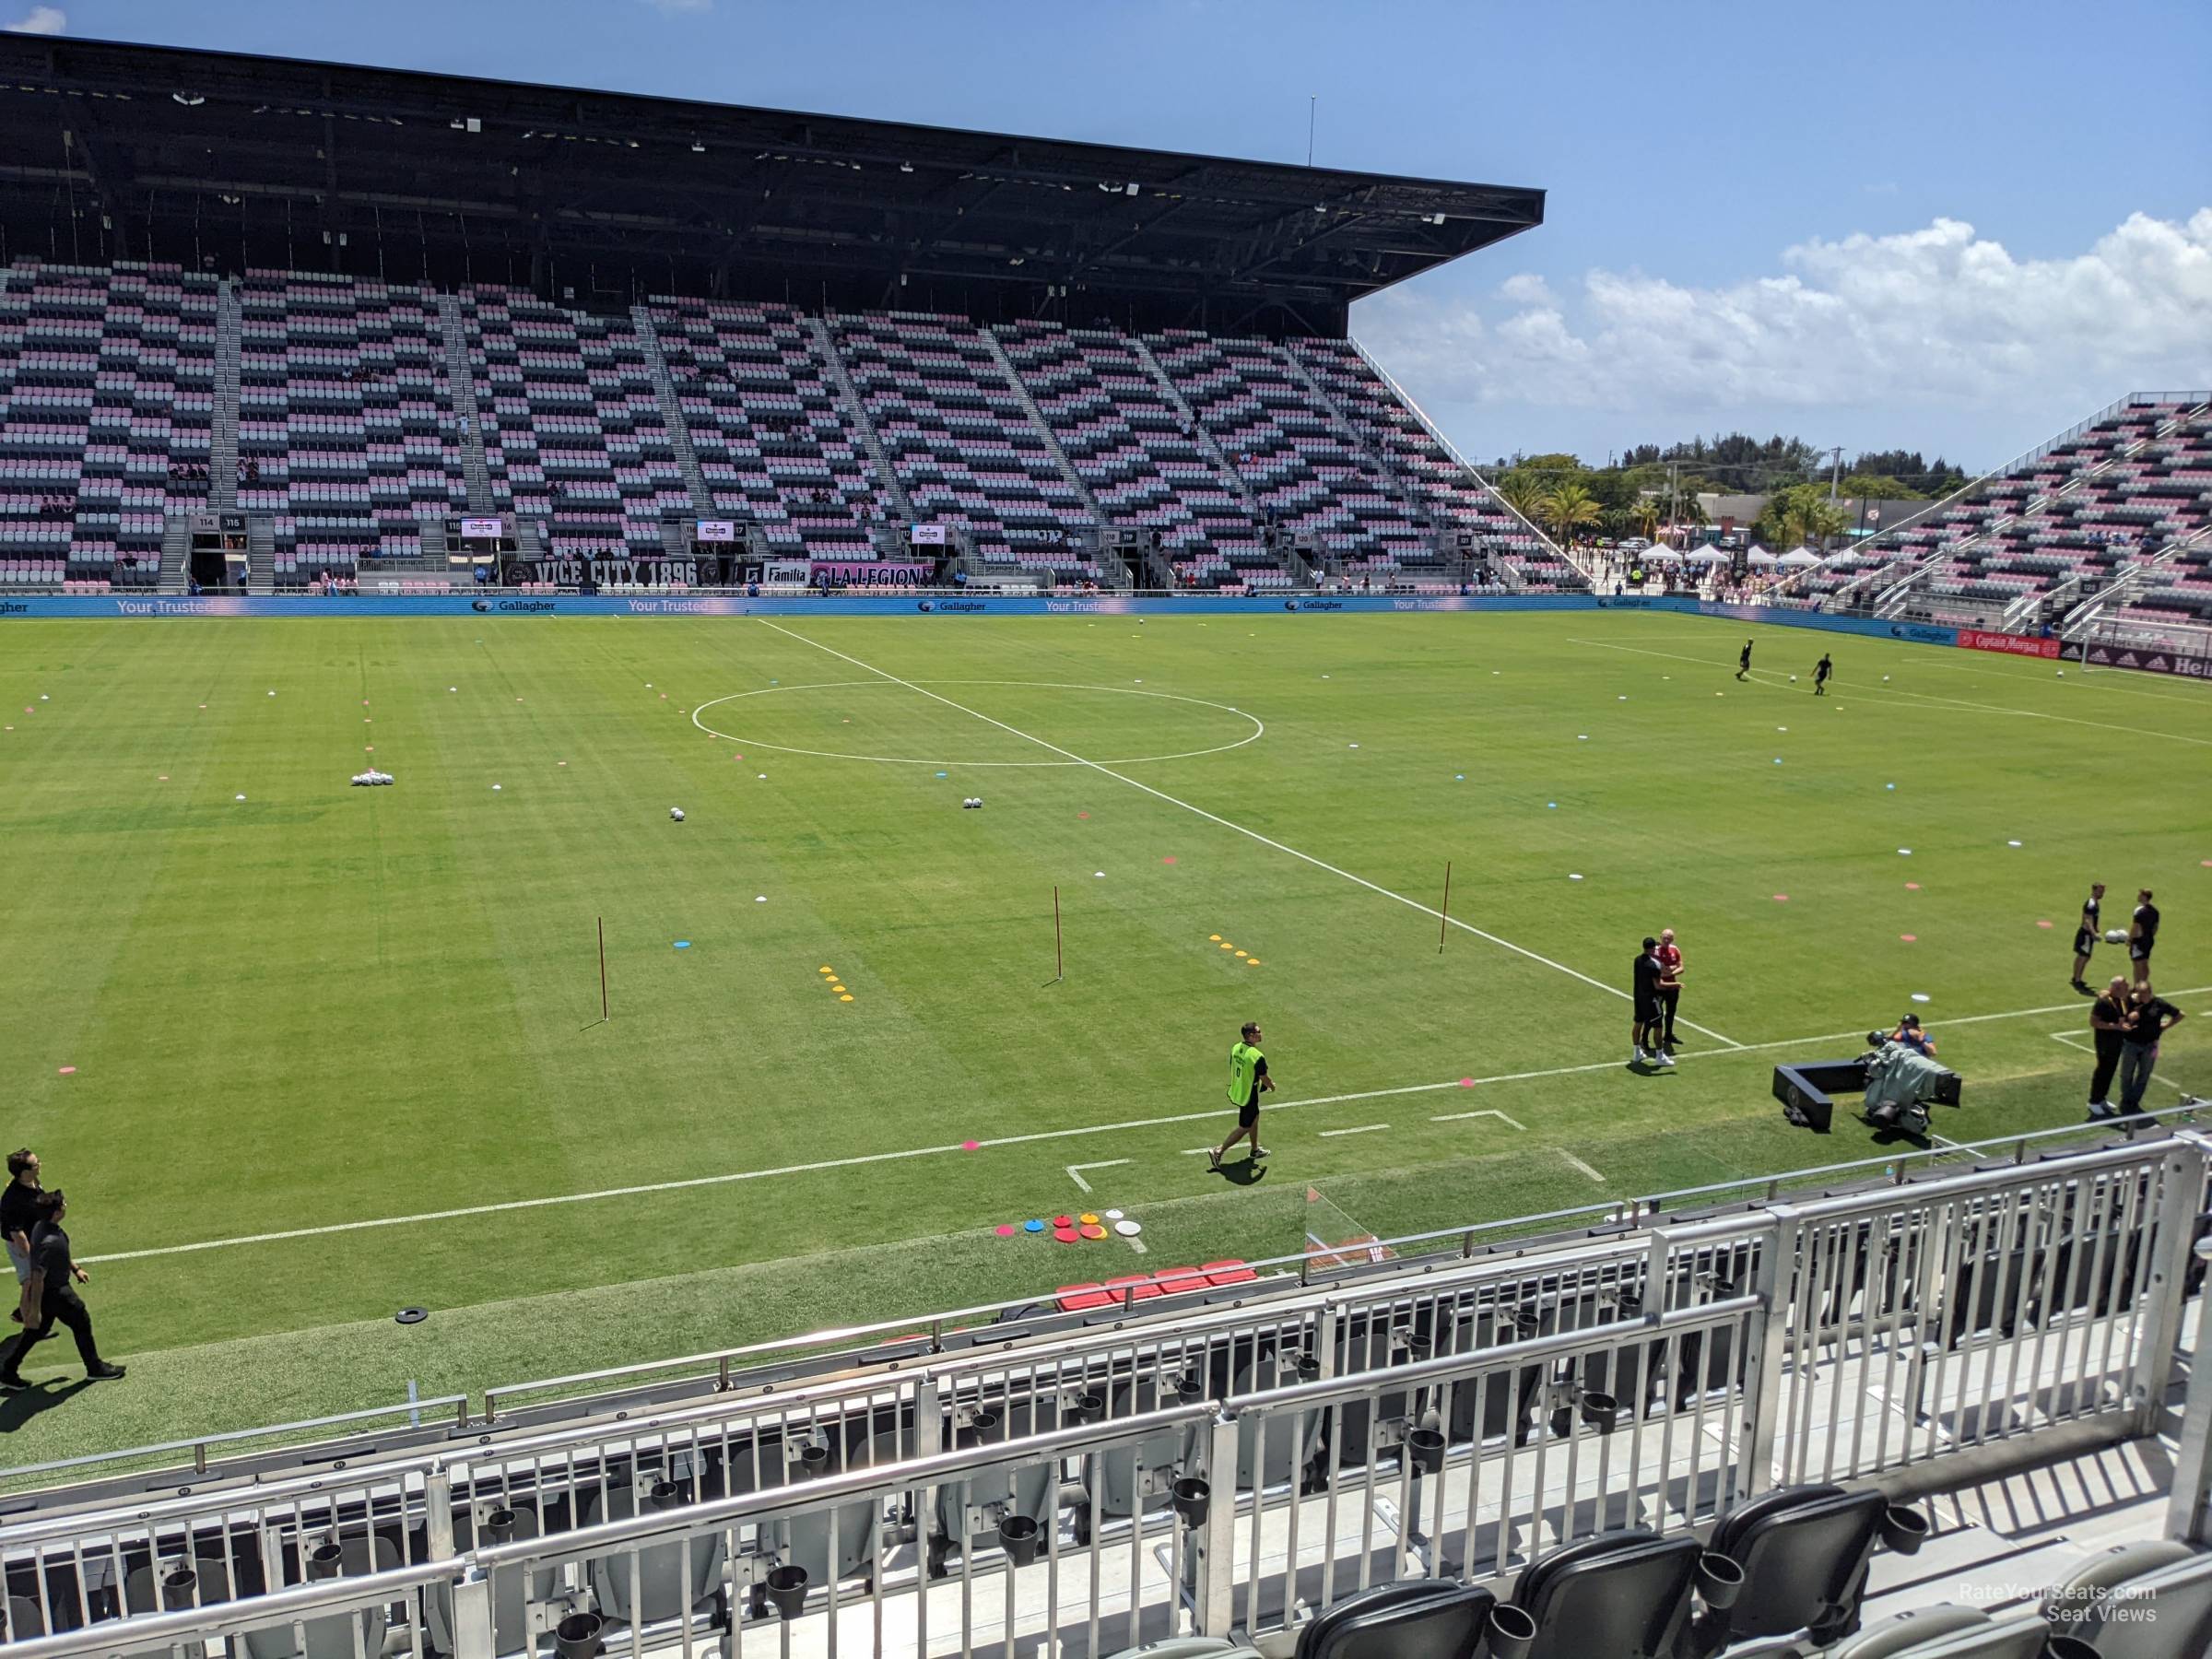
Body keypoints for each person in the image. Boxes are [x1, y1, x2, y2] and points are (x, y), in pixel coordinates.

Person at [0, 1191, 126, 1390]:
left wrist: (75, 1269)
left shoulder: (43, 1227)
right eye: (63, 1204)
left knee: (36, 1330)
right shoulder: (48, 1241)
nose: (66, 1205)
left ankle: (8, 1369)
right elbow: (38, 1276)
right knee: (81, 1319)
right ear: (57, 1212)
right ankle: (95, 1368)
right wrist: (33, 1310)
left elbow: (59, 1256)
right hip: (56, 1292)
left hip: (52, 1291)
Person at [1208, 1020, 1274, 1168]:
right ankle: (1218, 1151)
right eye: (1258, 1032)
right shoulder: (1256, 1055)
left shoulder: (1235, 1048)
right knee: (1245, 1126)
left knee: (1255, 1117)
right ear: (1251, 1036)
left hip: (1238, 1090)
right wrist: (1272, 1086)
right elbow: (1264, 1077)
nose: (1261, 1034)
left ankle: (1254, 1149)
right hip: (1248, 1095)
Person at [2115, 983, 2184, 1116]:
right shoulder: (2130, 1001)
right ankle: (2126, 1100)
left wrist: (2166, 1026)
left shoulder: (2159, 1004)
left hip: (2150, 1045)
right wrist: (2130, 1018)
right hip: (2131, 1044)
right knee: (2126, 1074)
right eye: (2139, 994)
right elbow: (2120, 1011)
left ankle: (2133, 1102)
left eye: (2144, 994)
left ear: (2150, 992)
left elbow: (2180, 1014)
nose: (2141, 997)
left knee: (2144, 1074)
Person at [4, 1149, 41, 1324]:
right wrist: (33, 1257)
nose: (40, 1165)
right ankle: (29, 1327)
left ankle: (23, 1312)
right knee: (31, 1282)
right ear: (25, 1172)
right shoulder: (14, 1200)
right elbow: (17, 1234)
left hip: (34, 1237)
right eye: (36, 1164)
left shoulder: (32, 1181)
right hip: (21, 1245)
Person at [2086, 976, 2132, 1119]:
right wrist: (2115, 1027)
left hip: (2116, 1042)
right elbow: (2093, 1022)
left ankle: (2101, 1098)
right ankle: (2093, 1101)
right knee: (2102, 1071)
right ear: (2117, 988)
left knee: (2110, 1071)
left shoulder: (2119, 999)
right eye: (2125, 986)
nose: (2127, 988)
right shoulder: (2103, 1002)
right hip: (2105, 1042)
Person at [1630, 937, 1673, 1067]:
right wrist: (1671, 986)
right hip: (1651, 1000)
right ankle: (1660, 1056)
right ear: (1653, 948)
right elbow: (1658, 985)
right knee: (1658, 1027)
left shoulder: (1637, 960)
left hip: (1639, 998)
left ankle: (1637, 1052)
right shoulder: (1653, 964)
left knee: (1638, 1023)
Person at [2071, 883, 2107, 993]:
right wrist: (2093, 933)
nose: (2102, 893)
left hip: (2088, 933)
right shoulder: (2091, 904)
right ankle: (2077, 980)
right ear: (2094, 890)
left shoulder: (2094, 903)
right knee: (2083, 956)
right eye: (2100, 891)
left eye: (2103, 891)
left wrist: (2096, 930)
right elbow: (2087, 920)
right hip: (2086, 934)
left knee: (2085, 956)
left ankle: (2076, 978)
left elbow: (2093, 920)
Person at [1654, 927, 1685, 1049]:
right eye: (1664, 938)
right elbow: (1654, 969)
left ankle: (1668, 1035)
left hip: (1672, 987)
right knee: (1656, 1013)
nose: (1666, 940)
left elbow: (1681, 967)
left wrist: (1670, 972)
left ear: (1672, 939)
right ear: (1660, 938)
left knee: (1671, 1012)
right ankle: (1645, 1038)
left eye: (1669, 938)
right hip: (1659, 987)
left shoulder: (1675, 949)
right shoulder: (1655, 951)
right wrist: (1669, 969)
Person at [2128, 888, 2159, 987]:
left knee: (2137, 964)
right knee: (2145, 963)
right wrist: (2149, 936)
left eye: (2140, 895)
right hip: (2149, 940)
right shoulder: (2155, 911)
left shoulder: (2139, 911)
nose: (2138, 896)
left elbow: (2136, 927)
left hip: (2138, 941)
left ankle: (2137, 987)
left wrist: (2130, 939)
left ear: (2144, 897)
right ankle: (2144, 984)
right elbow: (2155, 927)